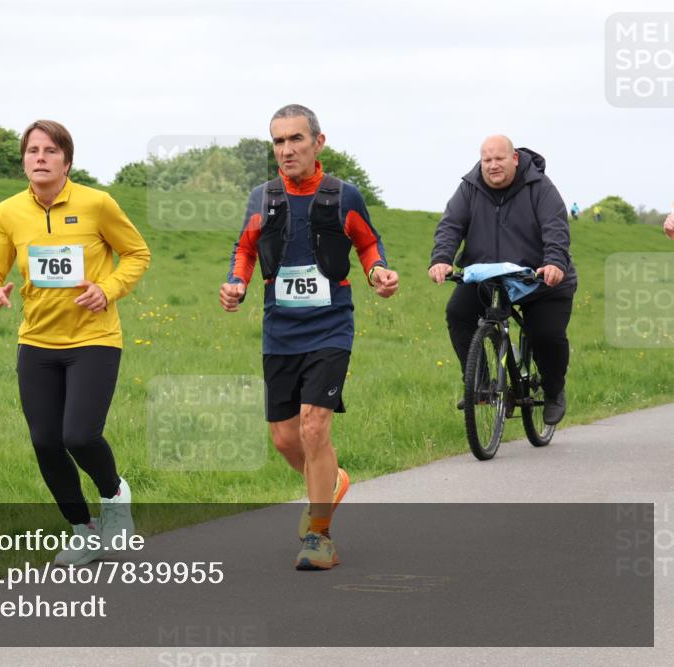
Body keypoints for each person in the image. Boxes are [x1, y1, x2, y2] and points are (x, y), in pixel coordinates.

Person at [220, 104, 399, 571]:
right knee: (285, 438)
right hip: (280, 330)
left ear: (318, 142)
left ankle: (320, 536)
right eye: (278, 141)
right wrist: (236, 283)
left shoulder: (343, 196)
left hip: (330, 326)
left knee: (314, 427)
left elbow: (367, 242)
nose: (286, 149)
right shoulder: (262, 197)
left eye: (296, 139)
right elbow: (245, 248)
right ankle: (330, 481)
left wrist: (378, 272)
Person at [0, 120, 150, 566]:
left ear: (66, 161)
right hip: (37, 341)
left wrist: (107, 289)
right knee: (45, 442)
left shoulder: (97, 204)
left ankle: (114, 494)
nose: (40, 158)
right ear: (24, 161)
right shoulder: (8, 213)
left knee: (79, 435)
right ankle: (82, 530)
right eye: (33, 150)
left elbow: (137, 253)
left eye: (50, 151)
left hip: (94, 338)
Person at [428, 135, 577, 426]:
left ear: (515, 158)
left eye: (499, 159)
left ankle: (553, 391)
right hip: (489, 277)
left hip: (539, 279)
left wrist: (555, 263)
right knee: (458, 313)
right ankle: (481, 384)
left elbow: (555, 227)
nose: (493, 165)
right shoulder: (469, 188)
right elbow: (451, 225)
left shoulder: (540, 187)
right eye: (487, 160)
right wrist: (441, 259)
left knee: (545, 334)